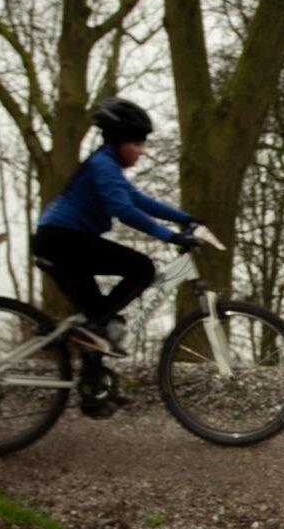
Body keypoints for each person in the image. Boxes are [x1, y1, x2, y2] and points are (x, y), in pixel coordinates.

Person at [33, 97, 211, 363]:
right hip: (61, 239)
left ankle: (94, 394)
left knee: (97, 325)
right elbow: (125, 211)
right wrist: (170, 236)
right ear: (117, 141)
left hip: (61, 240)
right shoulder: (103, 165)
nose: (141, 151)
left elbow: (139, 201)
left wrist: (185, 218)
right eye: (137, 144)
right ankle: (92, 331)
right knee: (141, 268)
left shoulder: (108, 166)